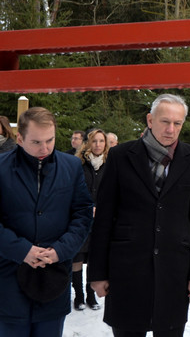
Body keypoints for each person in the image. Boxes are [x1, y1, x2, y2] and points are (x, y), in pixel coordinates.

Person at [0, 107, 94, 337]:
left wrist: (61, 250)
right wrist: (23, 250)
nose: (45, 148)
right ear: (19, 138)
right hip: (6, 281)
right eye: (36, 142)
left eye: (50, 140)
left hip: (52, 280)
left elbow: (82, 214)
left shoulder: (71, 166)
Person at [88, 93, 190, 337]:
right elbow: (104, 217)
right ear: (150, 120)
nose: (171, 129)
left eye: (177, 123)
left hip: (174, 271)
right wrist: (97, 272)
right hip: (127, 270)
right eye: (165, 121)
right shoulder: (121, 156)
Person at [71, 128, 109, 311]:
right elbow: (73, 190)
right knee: (77, 258)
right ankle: (78, 295)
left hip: (101, 220)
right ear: (88, 143)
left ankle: (90, 294)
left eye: (101, 141)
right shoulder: (79, 163)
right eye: (94, 141)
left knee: (94, 258)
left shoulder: (109, 164)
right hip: (81, 218)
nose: (98, 145)